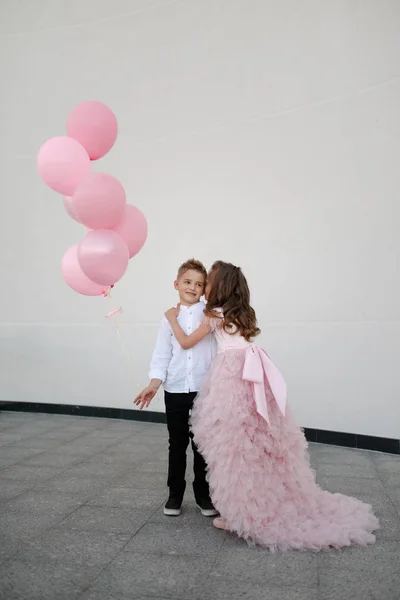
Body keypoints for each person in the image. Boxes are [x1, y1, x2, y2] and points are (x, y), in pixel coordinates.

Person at [164, 260, 379, 551]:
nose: (204, 287)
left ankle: (243, 515)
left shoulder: (214, 314)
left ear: (221, 286)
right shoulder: (242, 313)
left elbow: (187, 342)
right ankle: (252, 505)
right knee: (256, 445)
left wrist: (172, 319)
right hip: (252, 379)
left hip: (231, 382)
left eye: (209, 281)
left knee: (234, 450)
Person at [134, 259, 218, 518]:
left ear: (205, 289)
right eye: (187, 282)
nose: (192, 287)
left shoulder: (210, 315)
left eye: (198, 284)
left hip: (204, 391)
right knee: (176, 444)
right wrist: (154, 383)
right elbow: (162, 355)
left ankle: (204, 495)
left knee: (202, 446)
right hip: (176, 390)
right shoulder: (168, 318)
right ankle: (175, 495)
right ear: (176, 283)